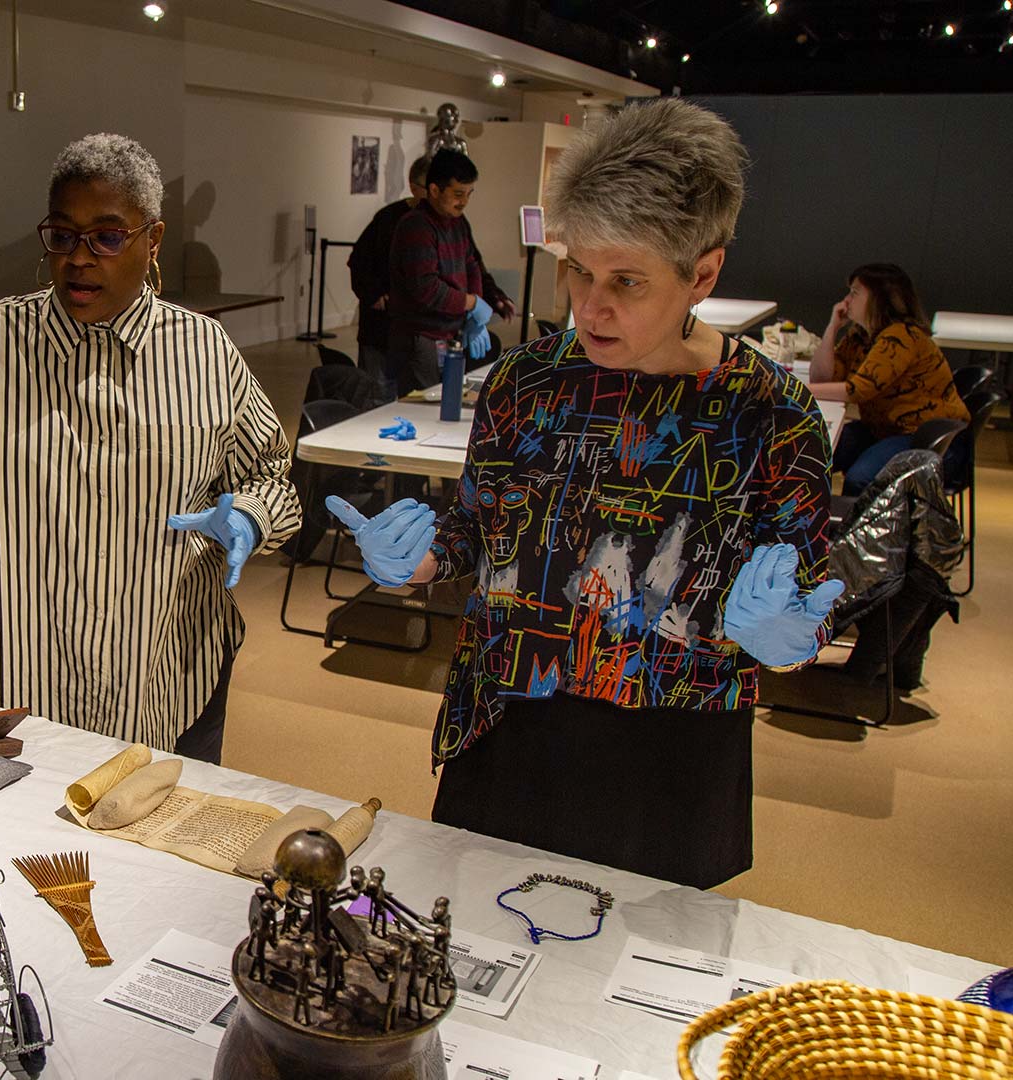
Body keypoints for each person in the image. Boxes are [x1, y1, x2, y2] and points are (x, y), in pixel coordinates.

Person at [329, 100, 843, 889]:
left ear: (703, 272)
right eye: (579, 269)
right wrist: (425, 557)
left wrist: (791, 637)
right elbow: (480, 526)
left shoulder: (768, 411)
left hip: (669, 743)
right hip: (508, 716)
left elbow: (805, 593)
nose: (588, 306)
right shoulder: (527, 381)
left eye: (627, 281)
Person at [0, 133, 303, 762]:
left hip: (167, 678)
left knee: (161, 851)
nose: (80, 258)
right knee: (31, 854)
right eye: (62, 234)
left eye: (108, 237)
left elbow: (272, 474)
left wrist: (250, 515)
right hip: (25, 679)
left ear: (152, 240)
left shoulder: (206, 354)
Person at [807, 263, 969, 495]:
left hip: (923, 437)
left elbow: (858, 390)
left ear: (879, 299)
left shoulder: (901, 336)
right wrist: (832, 327)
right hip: (883, 429)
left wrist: (798, 389)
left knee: (860, 479)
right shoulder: (861, 336)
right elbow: (822, 378)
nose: (846, 300)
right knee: (809, 454)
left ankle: (855, 531)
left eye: (854, 293)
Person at [386, 148, 515, 396]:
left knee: (450, 401)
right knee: (422, 407)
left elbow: (472, 266)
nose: (464, 201)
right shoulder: (416, 226)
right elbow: (426, 289)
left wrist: (475, 314)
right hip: (419, 339)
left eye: (468, 194)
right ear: (434, 190)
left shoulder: (458, 222)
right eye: (457, 194)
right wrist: (471, 302)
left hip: (449, 333)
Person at [347, 155, 429, 394]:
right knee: (376, 394)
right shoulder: (388, 219)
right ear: (414, 187)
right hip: (380, 330)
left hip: (414, 333)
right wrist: (374, 295)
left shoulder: (442, 224)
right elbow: (359, 261)